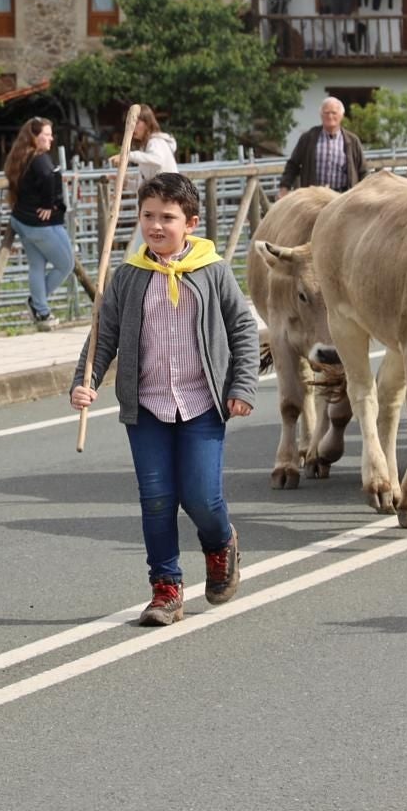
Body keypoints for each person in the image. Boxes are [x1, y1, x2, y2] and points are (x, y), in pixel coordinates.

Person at [71, 172, 262, 626]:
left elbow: (243, 329)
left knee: (201, 497)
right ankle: (166, 588)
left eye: (168, 218)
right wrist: (86, 380)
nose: (156, 226)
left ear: (190, 223)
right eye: (148, 216)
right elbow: (103, 337)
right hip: (148, 406)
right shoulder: (129, 276)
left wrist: (242, 386)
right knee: (156, 499)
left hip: (201, 402)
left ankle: (220, 545)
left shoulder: (212, 271)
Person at [5, 117, 76, 331]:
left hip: (22, 220)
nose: (51, 138)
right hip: (41, 224)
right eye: (46, 134)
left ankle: (42, 312)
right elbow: (47, 176)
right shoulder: (39, 158)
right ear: (35, 137)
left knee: (37, 266)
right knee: (66, 264)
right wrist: (48, 204)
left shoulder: (21, 157)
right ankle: (38, 304)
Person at [283, 97, 365, 193]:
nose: (330, 116)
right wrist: (284, 187)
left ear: (341, 116)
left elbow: (363, 171)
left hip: (343, 197)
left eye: (334, 113)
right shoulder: (308, 138)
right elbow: (293, 165)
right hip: (314, 197)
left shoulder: (352, 141)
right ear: (321, 115)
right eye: (326, 113)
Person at [118, 105, 179, 179]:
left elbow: (157, 159)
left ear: (147, 123)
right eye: (129, 124)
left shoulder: (156, 141)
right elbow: (145, 184)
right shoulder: (144, 148)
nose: (132, 127)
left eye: (136, 123)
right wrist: (126, 184)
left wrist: (128, 156)